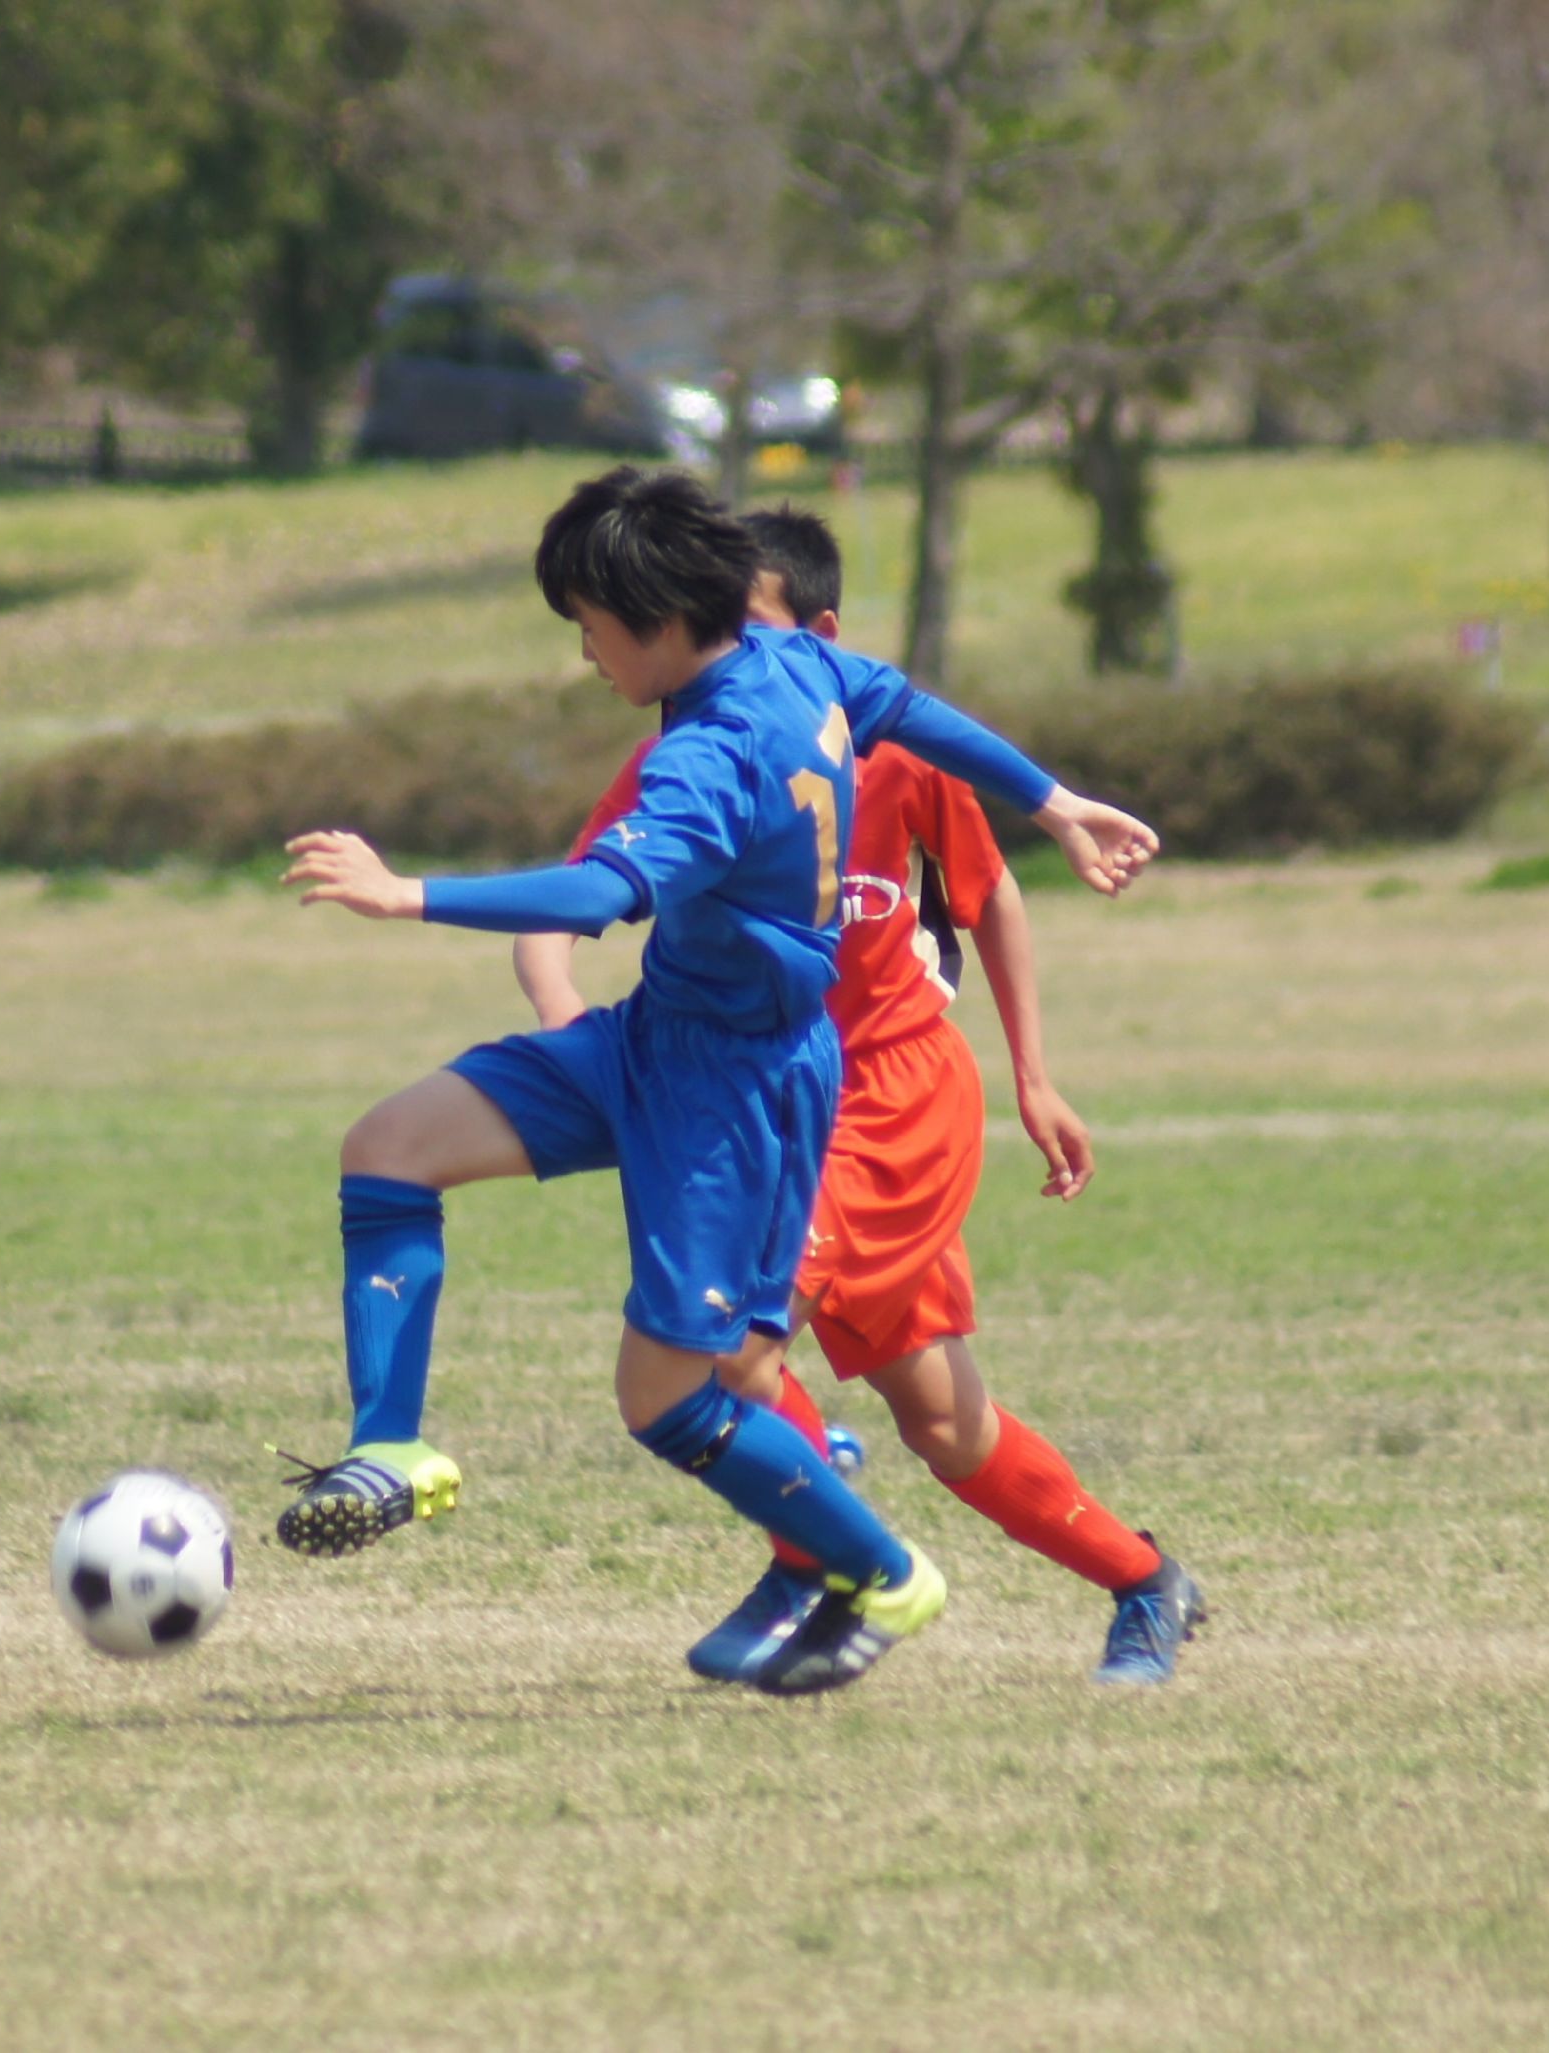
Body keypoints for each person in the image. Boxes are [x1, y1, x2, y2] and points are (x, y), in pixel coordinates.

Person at [278, 467, 1157, 1695]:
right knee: (387, 1147)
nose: (585, 654)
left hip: (737, 1092)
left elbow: (601, 890)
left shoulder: (718, 751)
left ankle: (879, 1570)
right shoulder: (796, 666)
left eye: (589, 626)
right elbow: (912, 705)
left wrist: (402, 893)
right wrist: (1055, 803)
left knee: (667, 1396)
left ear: (655, 619)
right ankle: (392, 1451)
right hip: (653, 1035)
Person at [515, 508, 1205, 1688]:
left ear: (820, 636)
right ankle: (1146, 1581)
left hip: (892, 1103)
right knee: (944, 1422)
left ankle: (822, 1557)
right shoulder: (692, 746)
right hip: (767, 1102)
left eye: (749, 623)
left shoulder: (902, 756)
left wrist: (1035, 1078)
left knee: (727, 1353)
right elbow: (564, 905)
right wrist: (570, 1022)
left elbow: (991, 898)